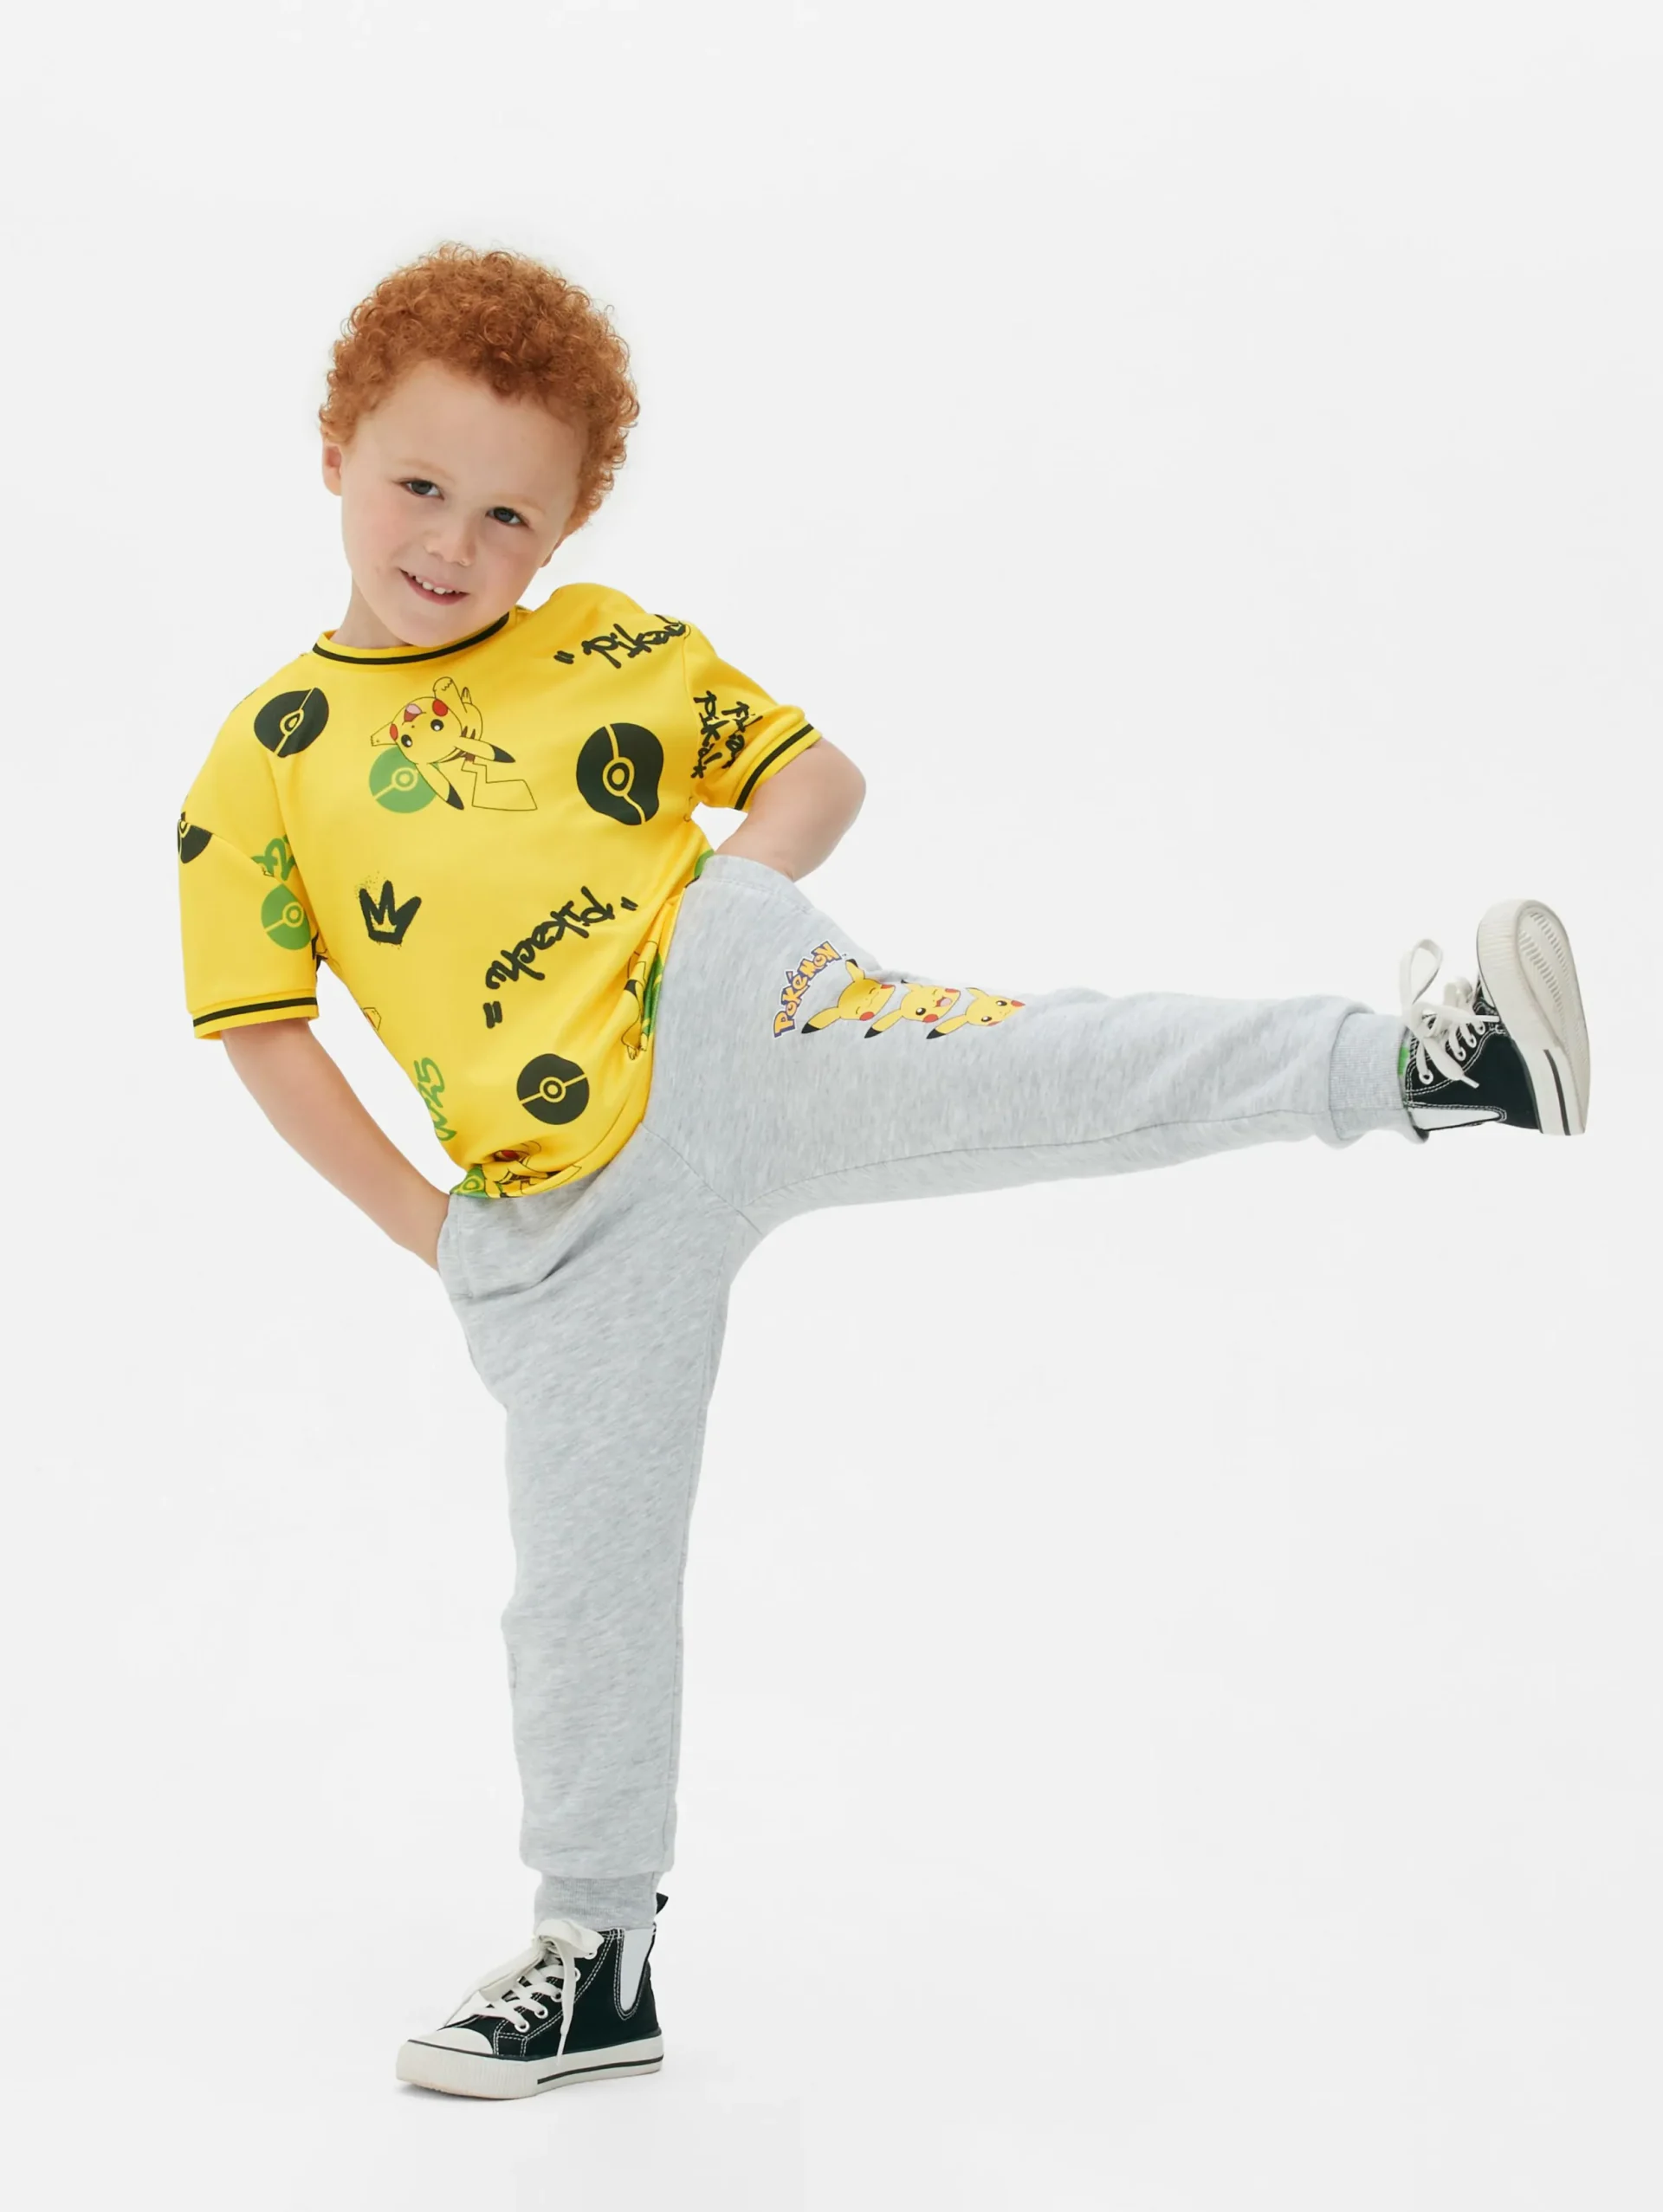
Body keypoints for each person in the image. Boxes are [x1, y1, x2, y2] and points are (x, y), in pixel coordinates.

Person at [175, 242, 1592, 2104]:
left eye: (508, 513)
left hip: (728, 1018)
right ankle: (596, 1961)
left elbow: (817, 774)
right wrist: (440, 1238)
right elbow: (266, 1031)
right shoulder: (263, 759)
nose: (452, 542)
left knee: (1050, 1063)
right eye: (418, 485)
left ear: (568, 524)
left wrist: (728, 910)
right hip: (557, 1218)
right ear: (337, 452)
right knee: (582, 1582)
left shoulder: (604, 640)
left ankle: (1435, 1064)